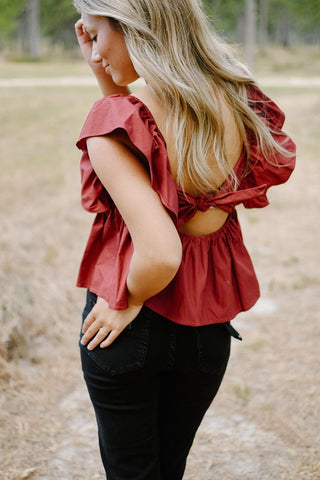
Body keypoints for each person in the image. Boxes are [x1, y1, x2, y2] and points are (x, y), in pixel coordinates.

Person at [73, 0, 296, 478]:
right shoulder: (235, 102)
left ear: (135, 30)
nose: (94, 52)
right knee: (169, 468)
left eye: (97, 35)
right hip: (205, 330)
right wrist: (105, 69)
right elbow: (135, 117)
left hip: (129, 326)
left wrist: (125, 299)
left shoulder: (113, 124)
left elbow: (159, 252)